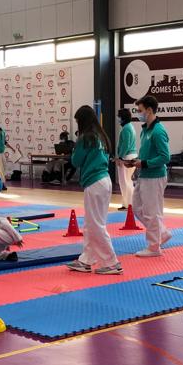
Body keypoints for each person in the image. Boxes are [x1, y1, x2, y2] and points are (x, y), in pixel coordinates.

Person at [66, 105, 121, 275]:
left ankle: (112, 262)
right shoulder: (100, 136)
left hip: (95, 182)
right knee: (92, 224)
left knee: (95, 224)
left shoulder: (86, 138)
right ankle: (86, 260)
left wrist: (75, 148)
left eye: (77, 121)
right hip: (104, 180)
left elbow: (75, 161)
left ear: (82, 121)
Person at [124, 95, 171, 257]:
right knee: (137, 208)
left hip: (154, 177)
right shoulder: (145, 130)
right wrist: (136, 164)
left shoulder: (158, 131)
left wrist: (143, 163)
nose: (138, 113)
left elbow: (165, 157)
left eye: (140, 110)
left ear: (149, 110)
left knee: (152, 212)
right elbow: (146, 154)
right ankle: (162, 232)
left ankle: (153, 247)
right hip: (144, 174)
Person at [115, 108, 138, 211]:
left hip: (126, 157)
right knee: (127, 181)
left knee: (124, 181)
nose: (118, 118)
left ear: (122, 117)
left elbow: (126, 145)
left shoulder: (126, 129)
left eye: (119, 116)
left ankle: (128, 204)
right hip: (130, 156)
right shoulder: (129, 127)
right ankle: (128, 203)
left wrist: (120, 157)